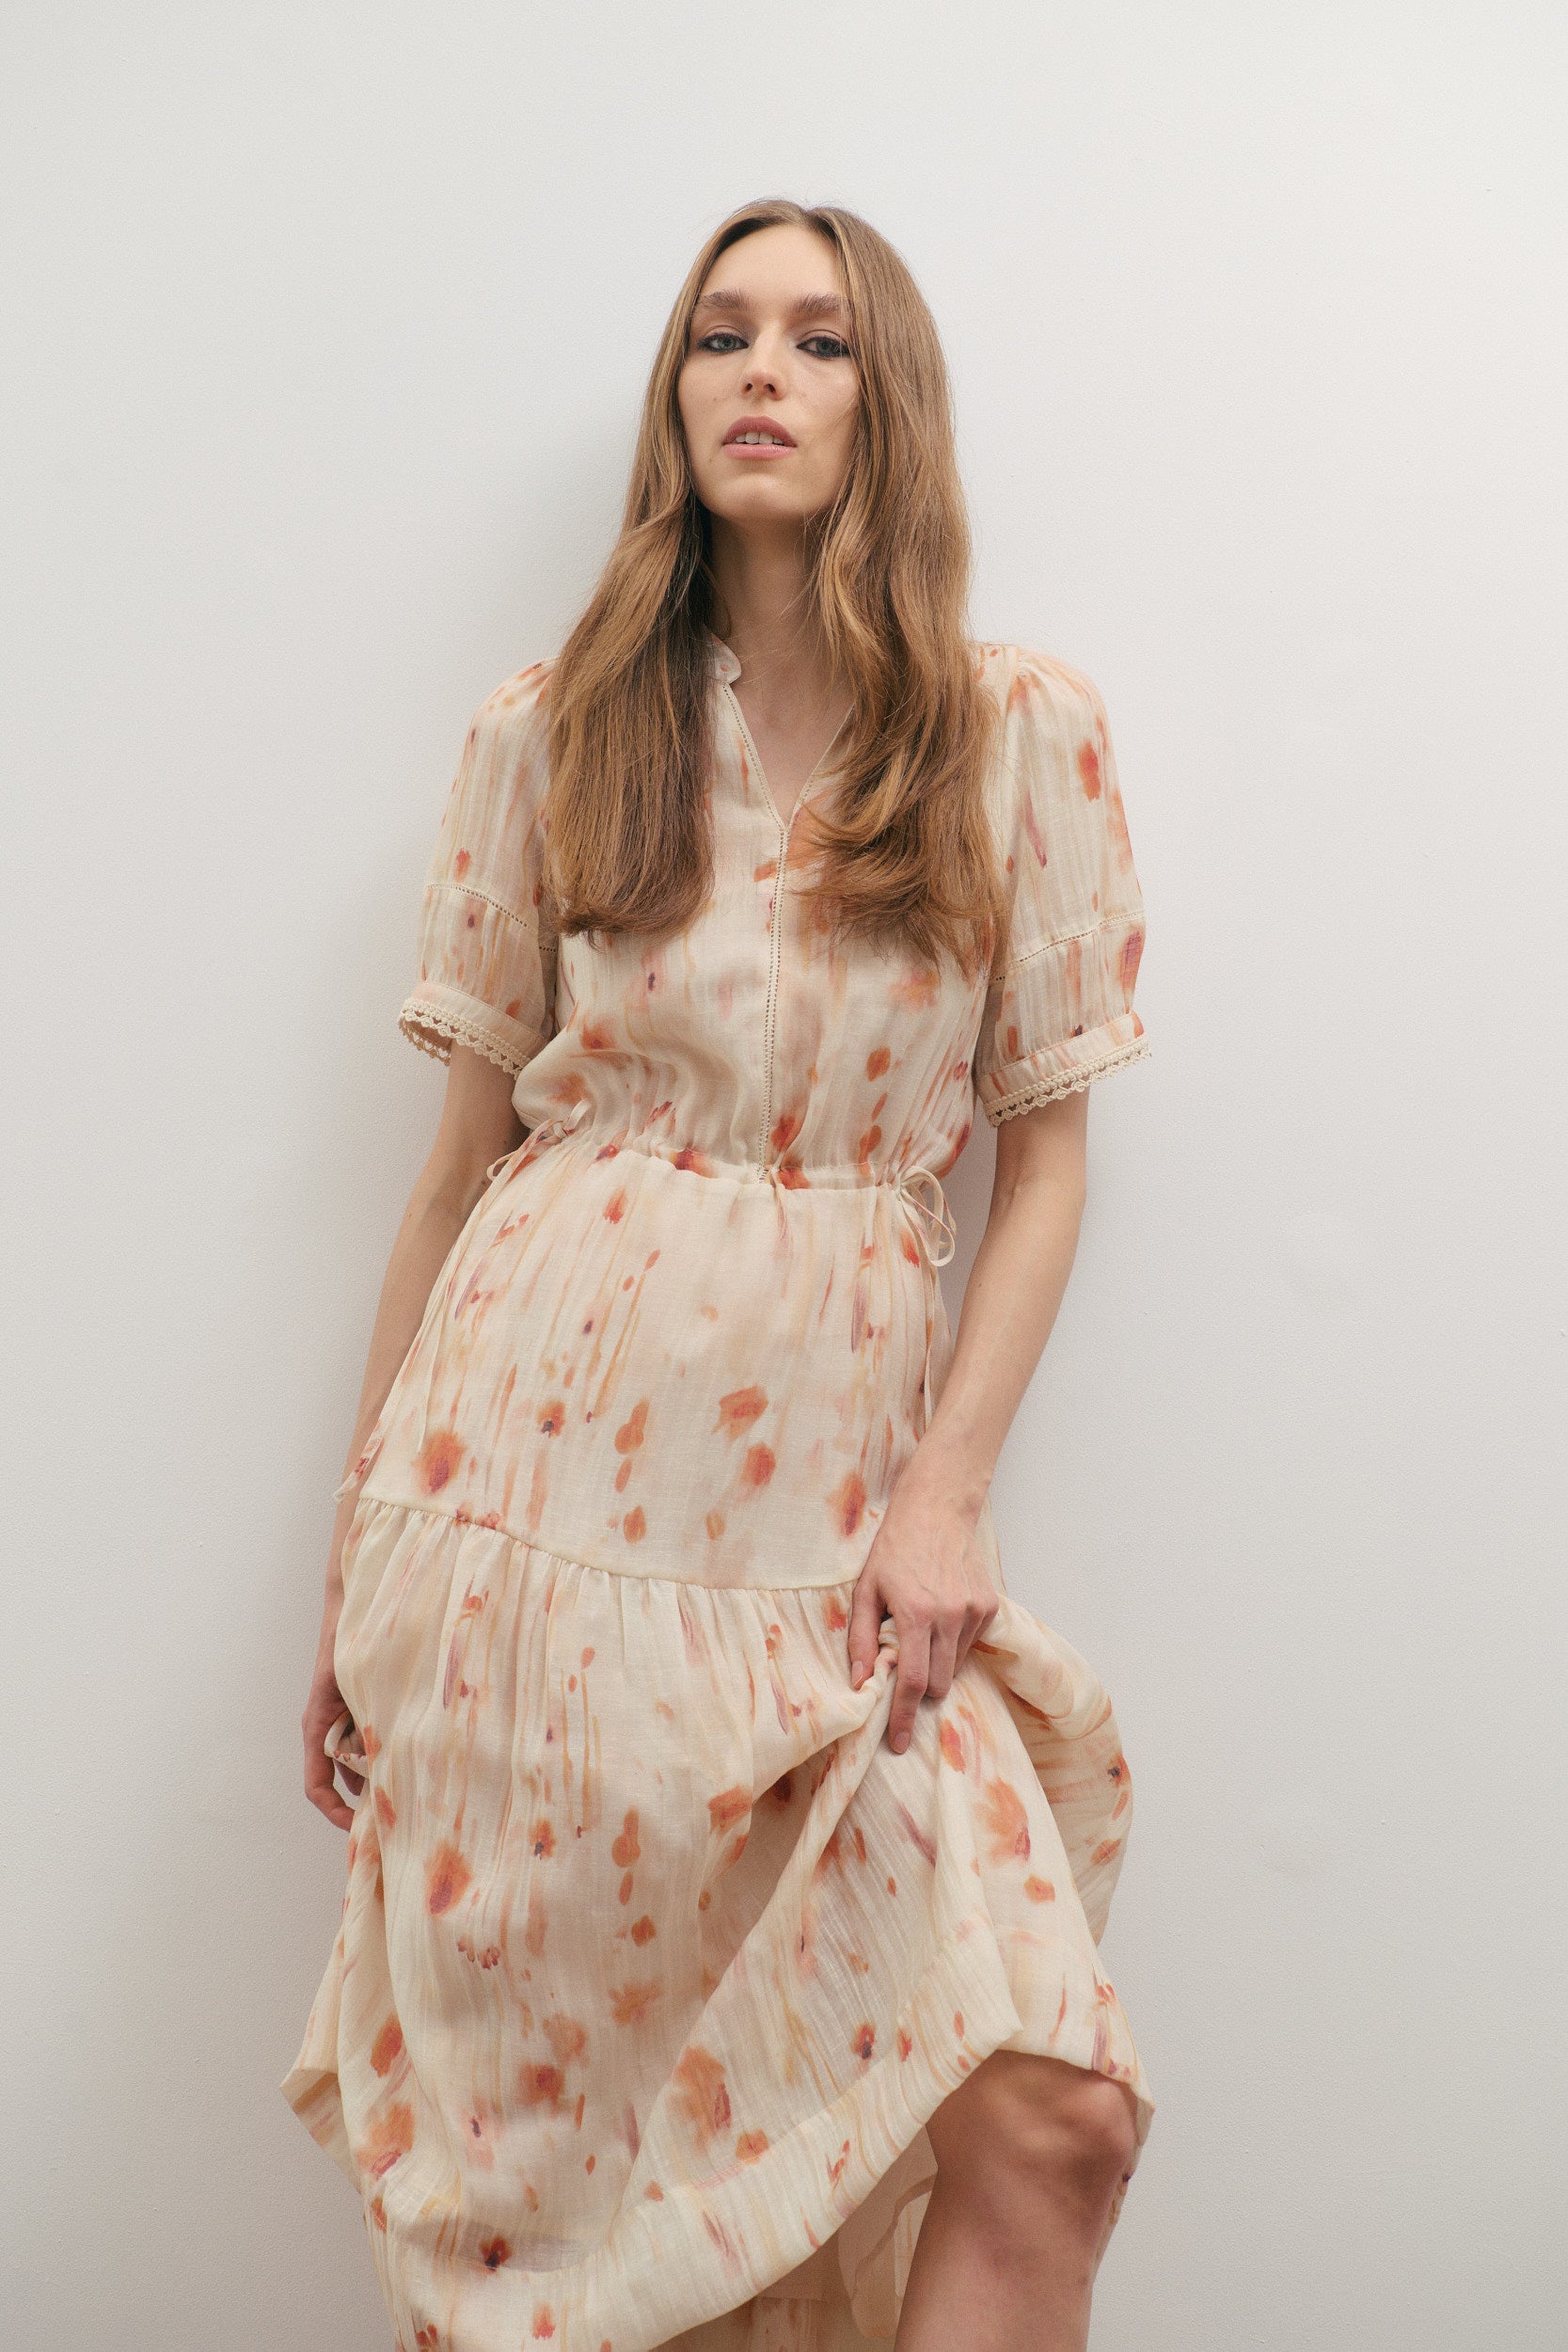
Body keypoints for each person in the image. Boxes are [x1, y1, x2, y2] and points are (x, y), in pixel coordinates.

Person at [282, 197, 1155, 2352]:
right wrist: (359, 1567)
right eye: (721, 335)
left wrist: (945, 1492)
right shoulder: (552, 730)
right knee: (583, 2197)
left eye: (822, 340)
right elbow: (453, 1175)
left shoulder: (1013, 730)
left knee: (1052, 2112)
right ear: (676, 398)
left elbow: (1044, 1164)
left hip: (823, 1544)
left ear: (890, 404)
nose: (763, 372)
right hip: (516, 1531)